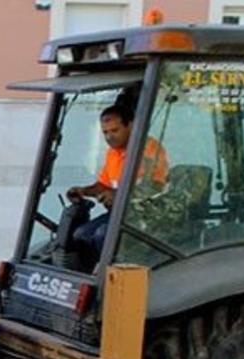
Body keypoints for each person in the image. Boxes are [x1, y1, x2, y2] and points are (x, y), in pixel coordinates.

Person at [67, 103, 169, 269]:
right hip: (119, 214)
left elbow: (154, 187)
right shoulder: (113, 153)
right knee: (81, 234)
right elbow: (103, 185)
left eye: (114, 130)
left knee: (103, 235)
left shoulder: (150, 150)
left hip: (144, 216)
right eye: (105, 132)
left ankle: (111, 277)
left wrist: (117, 195)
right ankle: (90, 275)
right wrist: (83, 191)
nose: (109, 137)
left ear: (130, 126)